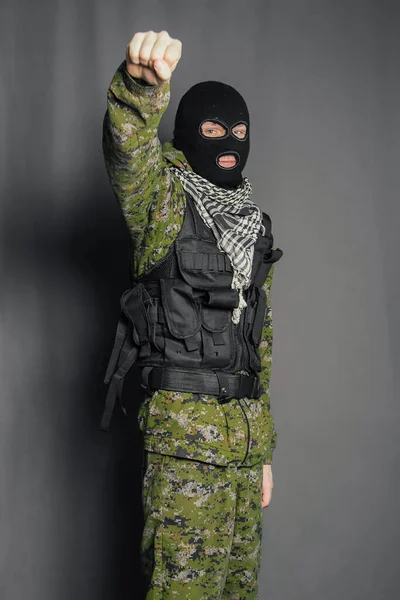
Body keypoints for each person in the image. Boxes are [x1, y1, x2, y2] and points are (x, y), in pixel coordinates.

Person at [101, 29, 283, 600]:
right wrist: (138, 89)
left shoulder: (253, 223)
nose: (227, 144)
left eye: (237, 133)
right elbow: (129, 150)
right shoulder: (163, 203)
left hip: (243, 449)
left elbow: (259, 340)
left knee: (237, 593)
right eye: (212, 133)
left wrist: (264, 453)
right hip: (186, 453)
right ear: (187, 135)